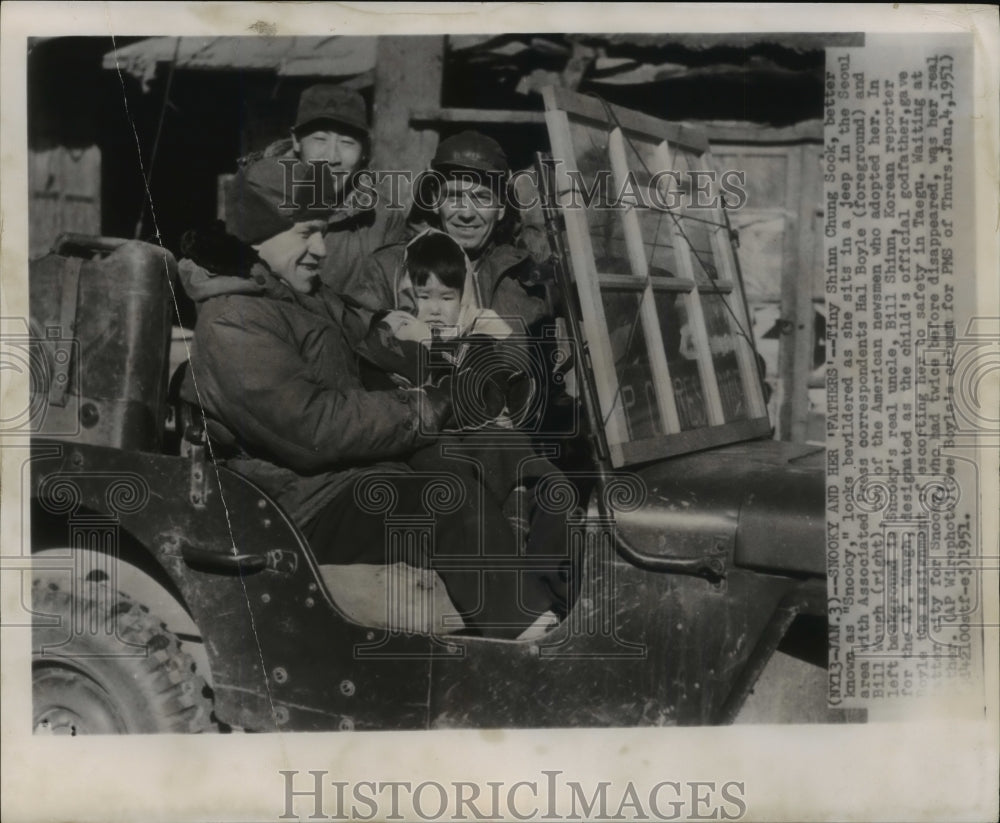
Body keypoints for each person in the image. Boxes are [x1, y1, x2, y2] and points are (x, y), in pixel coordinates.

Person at [180, 155, 559, 639]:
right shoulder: (233, 321)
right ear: (256, 236)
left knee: (503, 457)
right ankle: (535, 645)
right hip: (305, 501)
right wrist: (427, 405)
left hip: (352, 470)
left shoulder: (302, 292)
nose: (320, 248)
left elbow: (375, 339)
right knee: (449, 500)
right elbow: (314, 429)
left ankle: (561, 599)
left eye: (322, 231)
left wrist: (460, 372)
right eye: (305, 233)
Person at [180, 83, 406, 305]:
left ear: (365, 150)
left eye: (347, 142)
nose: (332, 156)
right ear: (297, 141)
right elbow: (212, 279)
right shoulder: (257, 198)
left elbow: (386, 300)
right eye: (320, 139)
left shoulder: (383, 218)